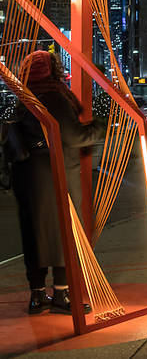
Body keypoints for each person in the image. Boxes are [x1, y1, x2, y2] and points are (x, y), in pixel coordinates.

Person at [11, 51, 103, 314]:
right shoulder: (54, 97)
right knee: (66, 232)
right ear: (52, 70)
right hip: (56, 174)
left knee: (35, 235)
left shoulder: (24, 97)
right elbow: (74, 137)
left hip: (27, 176)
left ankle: (37, 296)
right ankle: (62, 295)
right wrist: (99, 127)